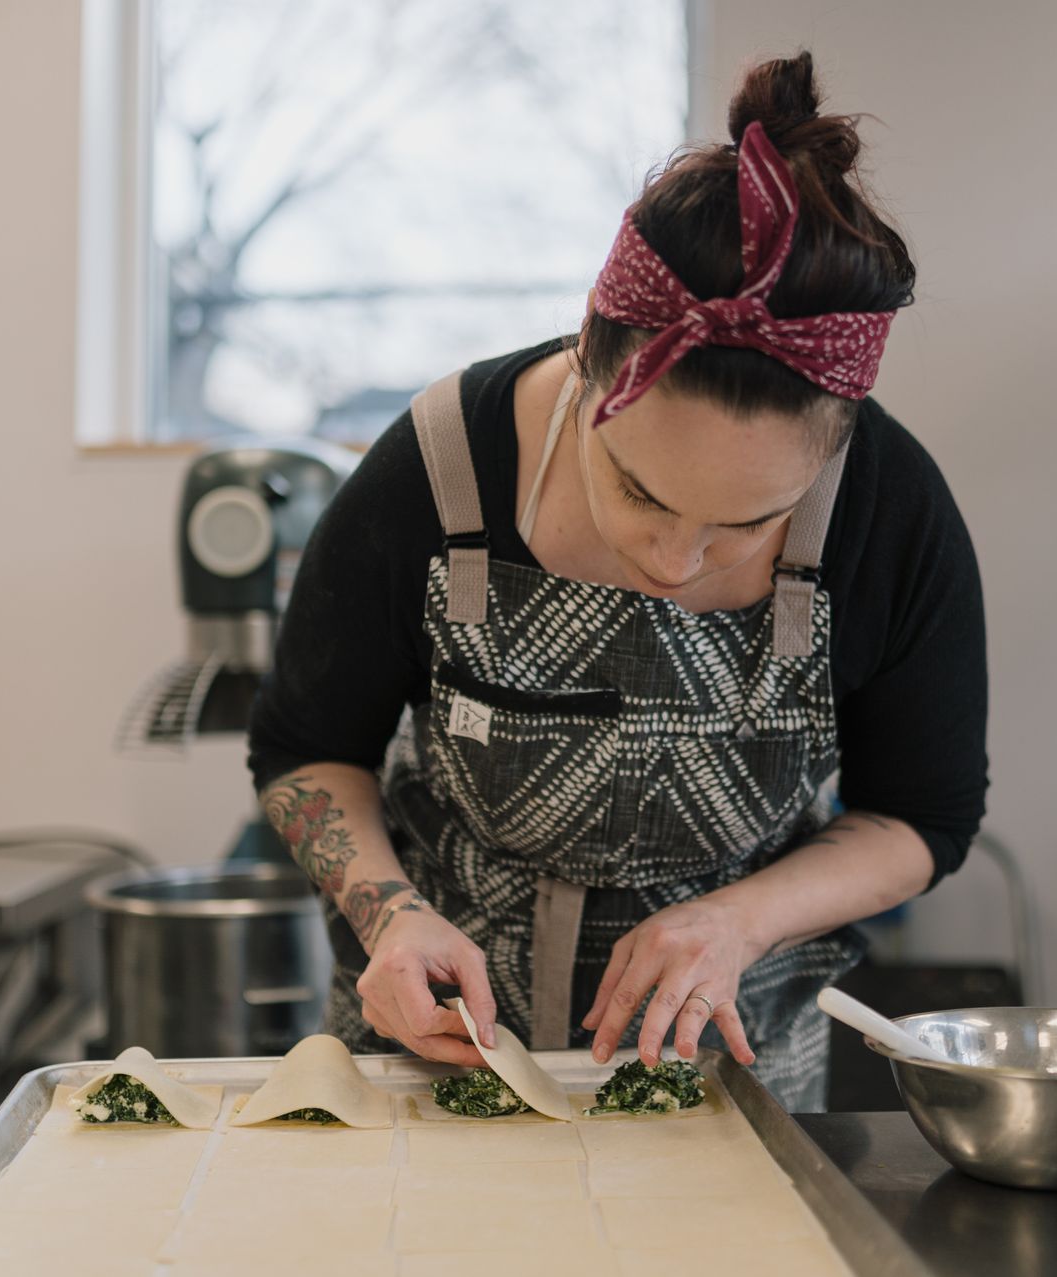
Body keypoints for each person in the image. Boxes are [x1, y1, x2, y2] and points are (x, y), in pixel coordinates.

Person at [247, 51, 987, 1110]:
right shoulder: (442, 465)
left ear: (833, 444)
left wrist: (741, 917)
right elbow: (304, 747)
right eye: (638, 490)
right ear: (592, 353)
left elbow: (924, 814)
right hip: (432, 1055)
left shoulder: (890, 509)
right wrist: (387, 911)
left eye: (745, 523)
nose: (673, 561)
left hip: (728, 1079)